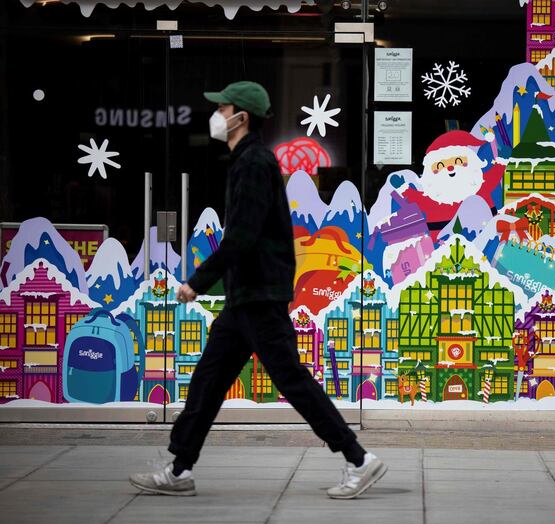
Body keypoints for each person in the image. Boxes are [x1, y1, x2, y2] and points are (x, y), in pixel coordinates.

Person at [129, 81, 386, 499]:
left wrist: (197, 282)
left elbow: (242, 236)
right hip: (246, 299)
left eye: (222, 108)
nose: (216, 115)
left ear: (240, 117)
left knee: (292, 380)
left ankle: (358, 459)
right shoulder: (250, 161)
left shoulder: (253, 163)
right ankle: (179, 469)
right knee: (209, 379)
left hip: (259, 298)